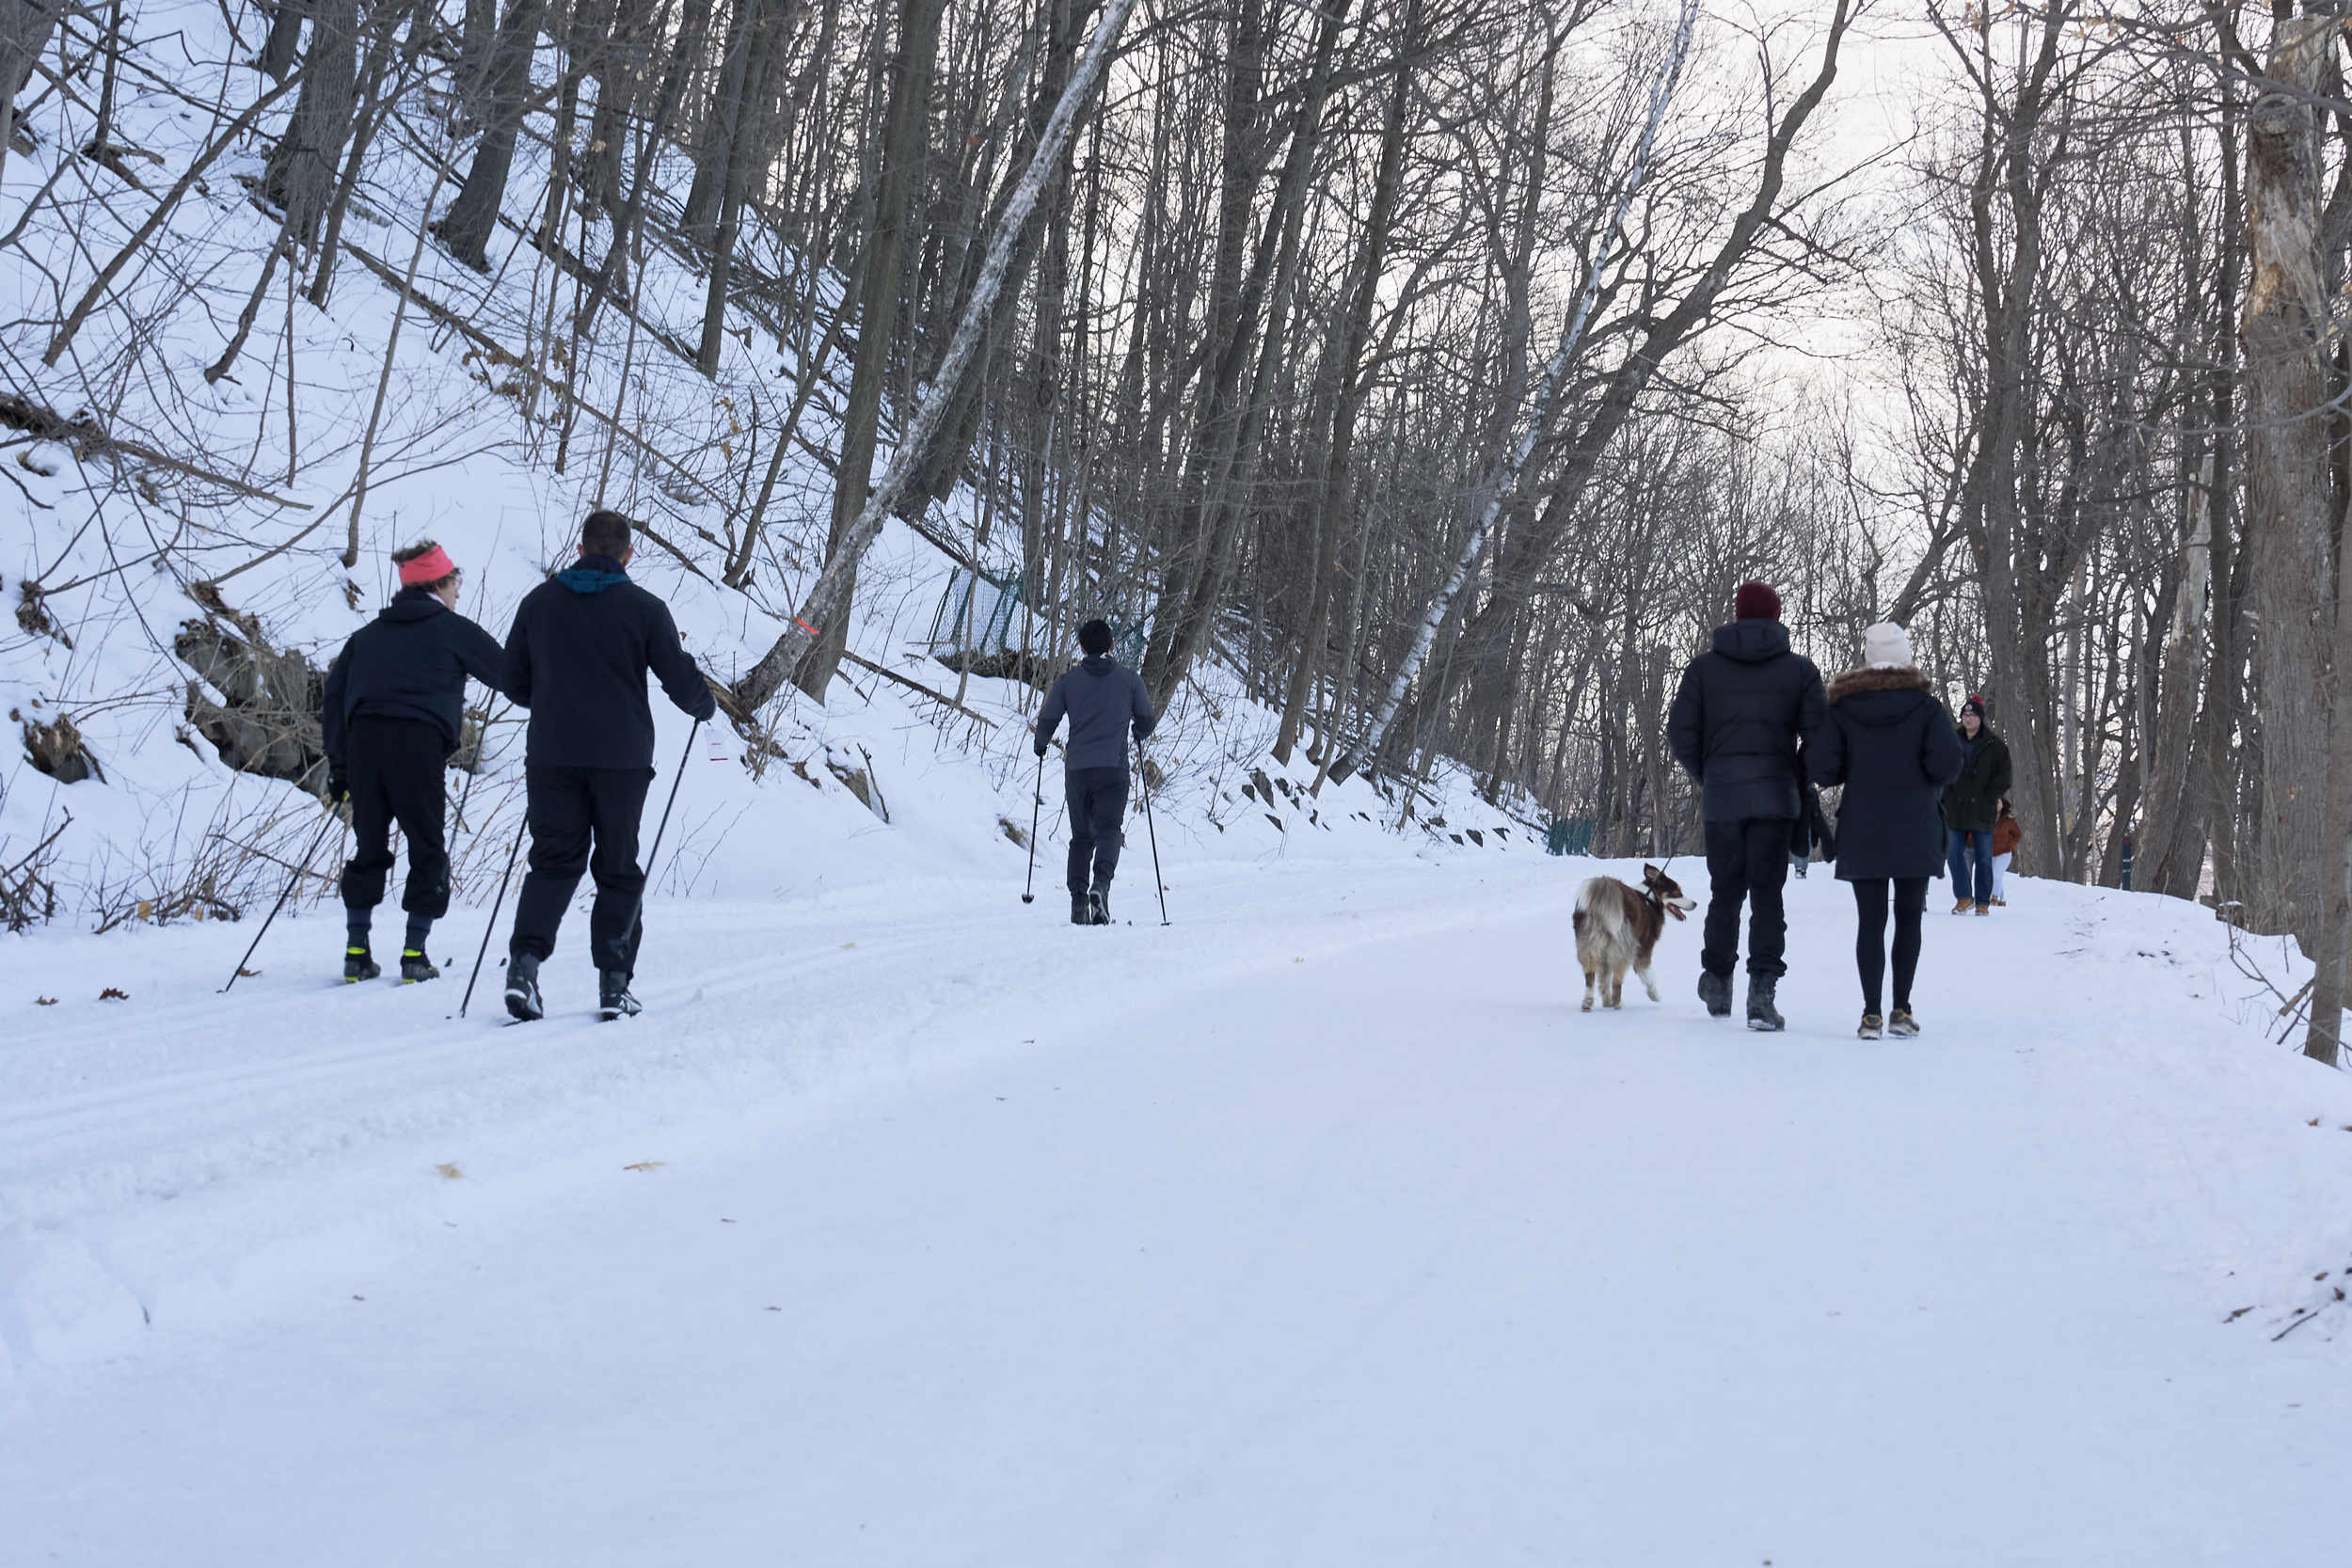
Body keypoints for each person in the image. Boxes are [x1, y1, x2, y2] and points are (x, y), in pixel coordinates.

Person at [501, 510, 716, 1022]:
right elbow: (677, 678)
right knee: (617, 867)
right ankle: (614, 986)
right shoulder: (643, 608)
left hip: (552, 755)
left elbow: (513, 681)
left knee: (553, 860)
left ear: (579, 550)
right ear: (627, 555)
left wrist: (551, 700)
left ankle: (524, 969)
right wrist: (704, 705)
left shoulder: (540, 603)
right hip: (620, 759)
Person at [321, 540, 507, 984]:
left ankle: (356, 952)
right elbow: (511, 677)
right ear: (438, 583)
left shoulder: (365, 637)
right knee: (427, 848)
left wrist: (339, 765)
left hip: (365, 743)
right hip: (418, 745)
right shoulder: (453, 631)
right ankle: (413, 954)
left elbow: (333, 698)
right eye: (455, 582)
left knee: (369, 846)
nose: (458, 592)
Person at [1665, 580, 1828, 1031]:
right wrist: (1795, 773)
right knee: (1767, 896)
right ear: (1776, 617)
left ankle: (1717, 980)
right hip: (1776, 799)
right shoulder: (1800, 672)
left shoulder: (1704, 669)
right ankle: (1761, 995)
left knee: (1725, 891)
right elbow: (1820, 740)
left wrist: (1708, 773)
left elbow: (1679, 732)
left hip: (1722, 799)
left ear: (1737, 615)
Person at [1809, 622, 1963, 1039]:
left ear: (1868, 658)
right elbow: (1947, 766)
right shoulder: (1927, 708)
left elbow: (1822, 768)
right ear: (1906, 657)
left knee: (1870, 920)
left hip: (1864, 826)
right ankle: (1901, 1010)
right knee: (1909, 917)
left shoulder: (1843, 709)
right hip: (1916, 824)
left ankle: (1870, 1015)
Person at [1034, 618, 1155, 926]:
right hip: (1113, 769)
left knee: (1082, 837)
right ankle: (1101, 885)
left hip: (1078, 770)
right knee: (1109, 830)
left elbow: (1048, 719)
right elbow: (1146, 721)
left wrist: (1041, 744)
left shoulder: (1067, 681)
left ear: (1081, 647)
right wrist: (1138, 733)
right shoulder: (1130, 680)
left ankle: (1078, 903)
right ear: (1112, 646)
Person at [1941, 693, 2011, 915]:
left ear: (1980, 718)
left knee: (1983, 857)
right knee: (1953, 854)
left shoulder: (1995, 745)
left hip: (1982, 809)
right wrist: (1946, 795)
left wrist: (1991, 796)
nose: (1968, 718)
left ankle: (1982, 901)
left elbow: (2004, 775)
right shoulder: (1951, 741)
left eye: (1972, 715)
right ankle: (1963, 897)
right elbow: (1941, 770)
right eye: (1965, 714)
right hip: (1955, 809)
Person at [1989, 800, 2019, 906]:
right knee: (1994, 875)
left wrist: (2010, 845)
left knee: (1997, 875)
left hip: (2005, 852)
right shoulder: (1988, 818)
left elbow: (2018, 835)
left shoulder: (2008, 821)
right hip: (1991, 852)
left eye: (1998, 802)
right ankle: (2002, 899)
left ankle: (1994, 898)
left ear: (2002, 805)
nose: (1996, 805)